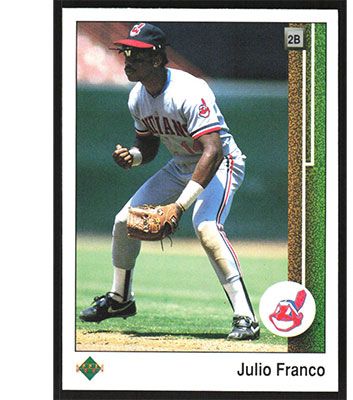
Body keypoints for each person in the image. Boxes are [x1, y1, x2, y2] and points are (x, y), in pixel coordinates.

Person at [79, 22, 260, 340]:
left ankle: (246, 316)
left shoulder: (189, 91)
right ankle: (120, 298)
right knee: (123, 221)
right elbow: (148, 146)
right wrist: (134, 156)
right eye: (126, 52)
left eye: (137, 54)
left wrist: (179, 206)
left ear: (157, 58)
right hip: (182, 165)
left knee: (206, 227)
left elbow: (213, 150)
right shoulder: (137, 97)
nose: (128, 60)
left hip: (221, 164)